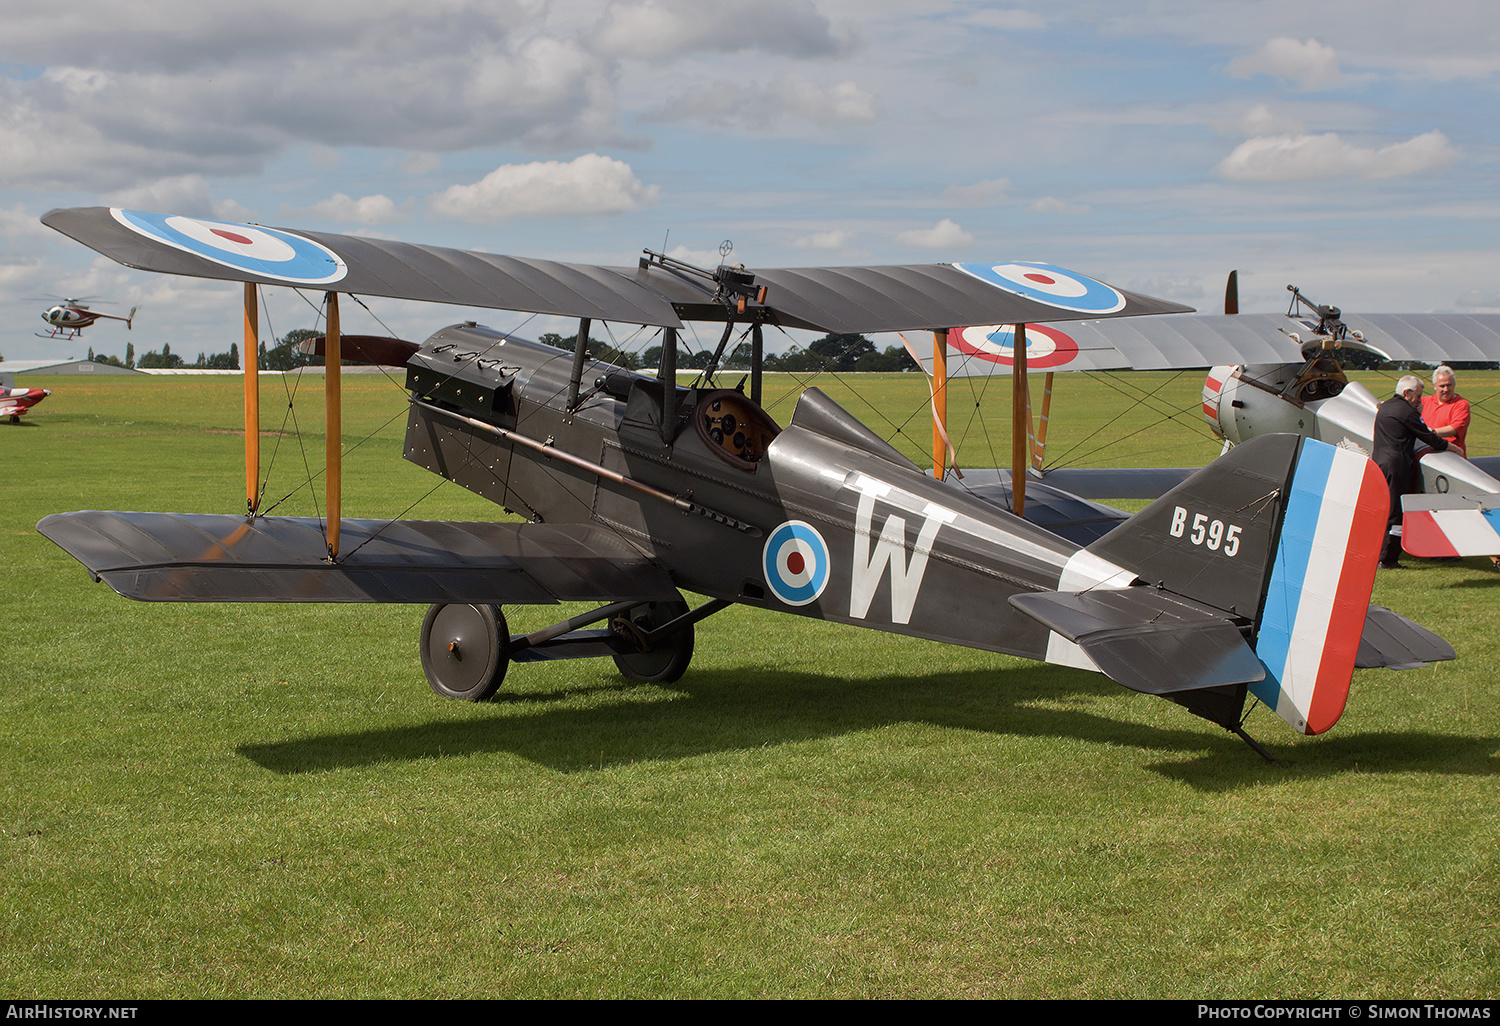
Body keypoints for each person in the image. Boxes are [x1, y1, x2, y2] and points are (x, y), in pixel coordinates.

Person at [1373, 375, 1448, 568]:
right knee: (1397, 512)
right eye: (1418, 396)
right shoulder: (1407, 411)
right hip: (1397, 465)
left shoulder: (1386, 406)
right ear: (1407, 393)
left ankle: (1378, 552)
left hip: (1380, 463)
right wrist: (1449, 447)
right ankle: (1388, 558)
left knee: (1384, 510)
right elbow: (1427, 435)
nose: (1420, 400)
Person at [1420, 365, 1471, 457]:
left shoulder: (1461, 404)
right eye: (1442, 386)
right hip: (1429, 456)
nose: (1446, 389)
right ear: (1434, 386)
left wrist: (1430, 433)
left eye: (1449, 385)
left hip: (1452, 456)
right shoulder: (1425, 401)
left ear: (1454, 384)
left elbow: (1455, 428)